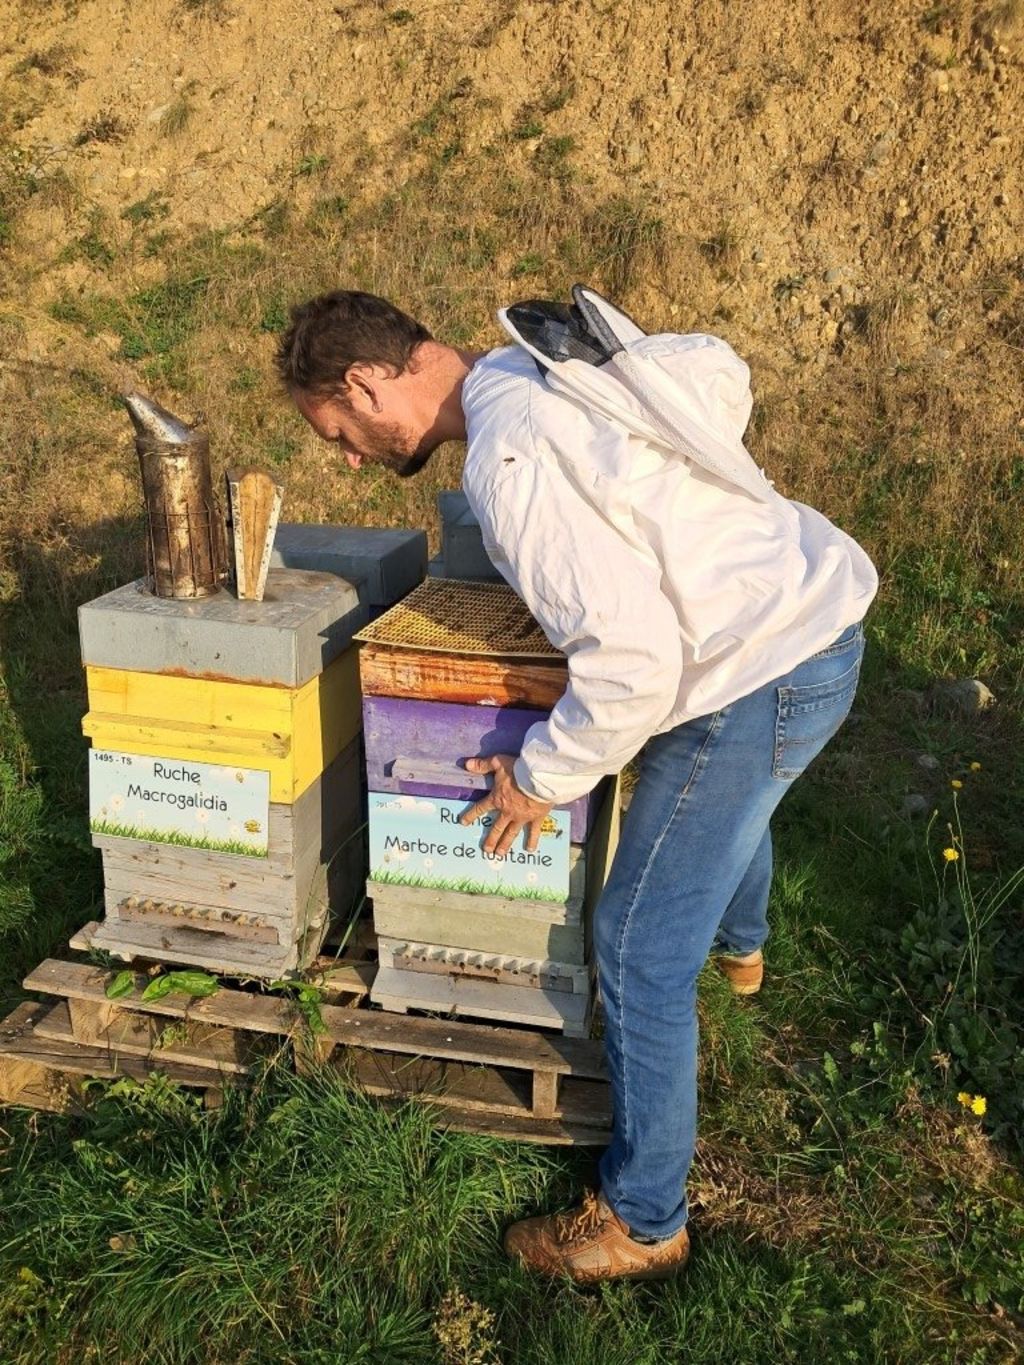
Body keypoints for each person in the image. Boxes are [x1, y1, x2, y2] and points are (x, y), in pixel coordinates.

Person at [276, 288, 877, 1284]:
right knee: (734, 806)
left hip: (754, 673)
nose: (347, 456)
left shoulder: (511, 463)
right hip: (807, 616)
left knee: (638, 948)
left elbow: (633, 666)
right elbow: (715, 368)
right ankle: (743, 949)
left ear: (366, 382)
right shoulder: (528, 366)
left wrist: (539, 779)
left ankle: (643, 1222)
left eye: (340, 432)